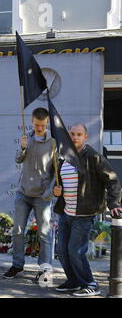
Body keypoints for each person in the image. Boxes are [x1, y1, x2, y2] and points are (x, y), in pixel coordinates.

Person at [53, 124, 122, 297]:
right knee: (62, 250)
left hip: (84, 214)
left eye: (79, 134)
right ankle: (74, 281)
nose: (75, 137)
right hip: (66, 213)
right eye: (72, 134)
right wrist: (57, 189)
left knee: (76, 251)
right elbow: (61, 182)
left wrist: (114, 204)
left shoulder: (92, 156)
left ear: (85, 137)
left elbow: (112, 179)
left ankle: (90, 284)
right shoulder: (64, 156)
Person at [3, 107, 56, 280]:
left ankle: (44, 269)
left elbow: (57, 170)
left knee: (44, 234)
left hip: (42, 195)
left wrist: (49, 192)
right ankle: (17, 265)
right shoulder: (27, 138)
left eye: (42, 125)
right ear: (32, 122)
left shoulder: (53, 142)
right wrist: (23, 147)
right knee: (17, 231)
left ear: (46, 123)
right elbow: (18, 159)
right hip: (23, 193)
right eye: (36, 124)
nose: (39, 128)